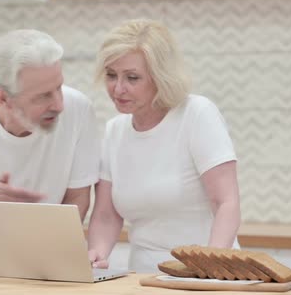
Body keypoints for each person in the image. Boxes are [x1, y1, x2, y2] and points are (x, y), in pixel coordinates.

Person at [87, 19, 241, 273]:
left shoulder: (196, 114)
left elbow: (226, 202)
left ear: (160, 77)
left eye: (132, 78)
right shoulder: (115, 131)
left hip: (208, 271)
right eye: (111, 75)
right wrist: (96, 255)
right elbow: (106, 215)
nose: (118, 88)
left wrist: (211, 267)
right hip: (144, 277)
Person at [0, 29, 100, 266]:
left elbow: (77, 197)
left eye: (59, 88)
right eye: (43, 96)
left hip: (49, 265)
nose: (59, 104)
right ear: (3, 98)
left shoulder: (79, 110)